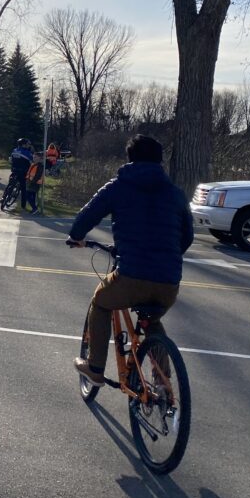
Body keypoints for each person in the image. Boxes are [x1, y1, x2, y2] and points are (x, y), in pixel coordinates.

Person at [68, 135, 194, 385]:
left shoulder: (118, 186)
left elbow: (85, 218)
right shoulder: (176, 193)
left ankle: (94, 367)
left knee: (101, 301)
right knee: (151, 320)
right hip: (169, 283)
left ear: (130, 158)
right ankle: (162, 381)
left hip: (131, 277)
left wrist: (77, 237)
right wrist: (164, 256)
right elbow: (187, 238)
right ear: (160, 161)